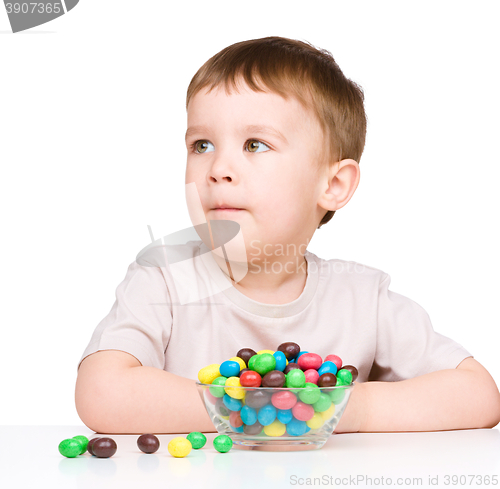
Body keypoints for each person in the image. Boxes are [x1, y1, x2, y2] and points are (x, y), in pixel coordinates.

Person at [75, 36, 500, 434]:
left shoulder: (361, 298)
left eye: (255, 144)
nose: (218, 168)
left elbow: (478, 395)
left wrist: (332, 407)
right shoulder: (164, 278)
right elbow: (101, 392)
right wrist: (253, 407)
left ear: (332, 186)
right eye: (201, 144)